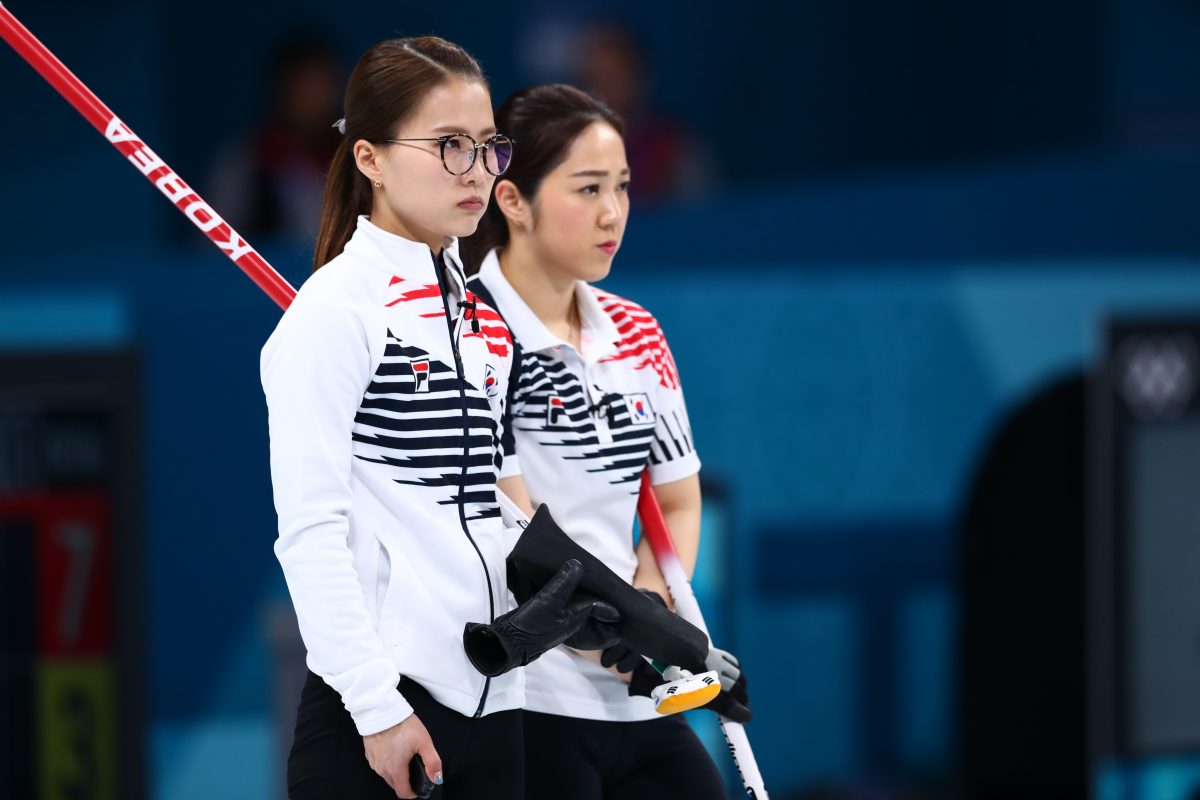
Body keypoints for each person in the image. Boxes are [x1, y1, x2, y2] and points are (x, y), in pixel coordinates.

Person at [260, 40, 616, 800]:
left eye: (488, 147)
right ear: (370, 158)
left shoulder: (479, 319)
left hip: (495, 705)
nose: (477, 171)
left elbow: (489, 509)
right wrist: (377, 708)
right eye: (449, 146)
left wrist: (616, 613)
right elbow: (310, 534)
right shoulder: (331, 316)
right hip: (382, 723)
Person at [461, 83, 750, 800]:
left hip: (635, 691)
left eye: (620, 186)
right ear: (513, 201)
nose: (613, 212)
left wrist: (649, 603)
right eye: (587, 188)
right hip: (526, 697)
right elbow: (525, 540)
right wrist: (631, 622)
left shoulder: (640, 334)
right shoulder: (467, 334)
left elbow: (679, 502)